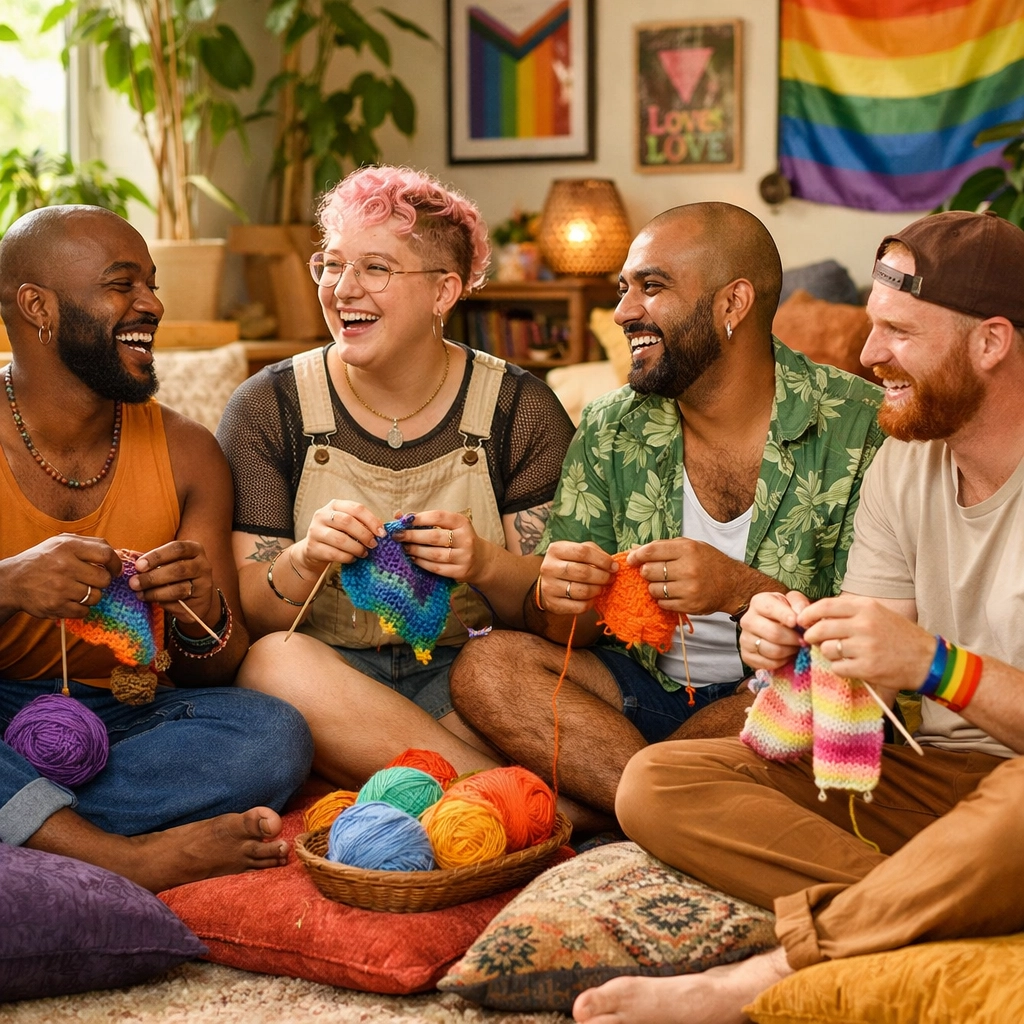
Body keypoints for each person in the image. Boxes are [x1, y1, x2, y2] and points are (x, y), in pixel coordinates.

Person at [576, 210, 1024, 1024]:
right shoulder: (905, 463)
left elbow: (920, 665)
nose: (866, 355)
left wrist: (934, 664)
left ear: (990, 343)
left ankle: (768, 972)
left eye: (898, 332)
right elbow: (866, 682)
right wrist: (784, 632)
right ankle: (943, 904)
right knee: (655, 784)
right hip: (926, 783)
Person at [448, 202, 885, 819]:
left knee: (815, 698)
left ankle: (620, 805)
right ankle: (654, 806)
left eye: (651, 287)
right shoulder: (609, 426)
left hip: (766, 697)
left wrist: (738, 588)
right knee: (488, 666)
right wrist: (563, 595)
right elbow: (569, 639)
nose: (625, 312)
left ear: (733, 305)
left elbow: (872, 646)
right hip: (640, 688)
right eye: (623, 289)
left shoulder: (860, 427)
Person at [217, 166, 576, 791]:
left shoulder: (519, 408)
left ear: (444, 291)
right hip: (331, 680)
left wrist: (484, 562)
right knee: (271, 665)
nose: (341, 289)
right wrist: (304, 559)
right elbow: (250, 618)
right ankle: (512, 796)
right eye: (331, 265)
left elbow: (557, 616)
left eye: (375, 269)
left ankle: (418, 776)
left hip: (464, 677)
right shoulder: (268, 405)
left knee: (505, 673)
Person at [0, 206, 314, 893]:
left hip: (125, 714)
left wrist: (201, 608)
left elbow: (217, 668)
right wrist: (8, 584)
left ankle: (32, 825)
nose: (153, 305)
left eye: (152, 283)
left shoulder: (188, 450)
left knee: (273, 735)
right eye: (123, 284)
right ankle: (129, 859)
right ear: (37, 307)